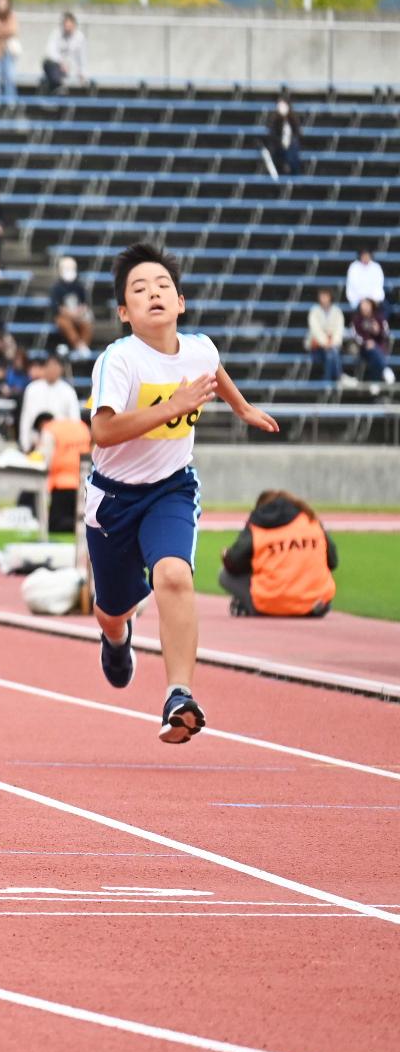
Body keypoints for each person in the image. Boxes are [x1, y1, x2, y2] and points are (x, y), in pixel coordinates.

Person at [85, 242, 278, 744]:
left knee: (174, 574)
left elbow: (213, 372)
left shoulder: (201, 348)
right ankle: (117, 638)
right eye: (140, 289)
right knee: (111, 608)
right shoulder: (119, 361)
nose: (154, 294)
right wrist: (173, 406)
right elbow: (102, 433)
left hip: (171, 488)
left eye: (163, 286)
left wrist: (243, 409)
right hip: (112, 500)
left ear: (181, 302)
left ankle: (179, 695)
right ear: (125, 312)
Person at [218, 490, 338, 618]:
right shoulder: (311, 520)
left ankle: (257, 605)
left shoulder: (258, 524)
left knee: (225, 575)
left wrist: (226, 555)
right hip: (315, 604)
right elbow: (333, 561)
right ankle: (306, 603)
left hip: (270, 603)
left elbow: (234, 562)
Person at [34, 409, 92, 534]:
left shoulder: (50, 429)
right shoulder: (82, 427)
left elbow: (44, 456)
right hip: (82, 481)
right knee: (78, 517)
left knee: (56, 524)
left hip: (61, 483)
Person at [18, 351, 80, 451]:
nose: (52, 369)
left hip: (61, 442)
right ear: (45, 367)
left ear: (61, 369)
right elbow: (26, 419)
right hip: (36, 441)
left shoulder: (69, 391)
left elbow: (75, 421)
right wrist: (25, 445)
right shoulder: (32, 389)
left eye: (56, 366)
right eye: (50, 366)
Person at [49, 256, 96, 360]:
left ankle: (83, 346)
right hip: (63, 317)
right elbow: (57, 308)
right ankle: (78, 345)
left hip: (78, 314)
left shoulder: (79, 286)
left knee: (88, 323)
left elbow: (85, 304)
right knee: (66, 324)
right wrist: (70, 314)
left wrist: (79, 312)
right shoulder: (56, 288)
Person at [307, 288, 346, 385]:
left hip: (333, 345)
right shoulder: (314, 311)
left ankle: (327, 380)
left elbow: (339, 330)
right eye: (322, 296)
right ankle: (338, 377)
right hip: (318, 346)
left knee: (331, 353)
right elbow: (315, 329)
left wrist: (332, 342)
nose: (323, 298)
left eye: (326, 296)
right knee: (332, 353)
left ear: (330, 297)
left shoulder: (337, 311)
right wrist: (325, 342)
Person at [41, 12, 88, 91]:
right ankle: (59, 86)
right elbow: (49, 52)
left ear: (74, 25)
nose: (67, 29)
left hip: (68, 70)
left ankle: (59, 87)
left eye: (69, 26)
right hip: (55, 67)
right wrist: (61, 62)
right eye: (66, 26)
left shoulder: (80, 37)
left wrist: (82, 73)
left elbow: (82, 57)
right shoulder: (56, 33)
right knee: (48, 63)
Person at [262, 93, 303, 177]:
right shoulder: (274, 120)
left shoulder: (293, 119)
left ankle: (293, 173)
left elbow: (297, 133)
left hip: (291, 147)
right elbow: (272, 135)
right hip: (278, 148)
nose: (281, 108)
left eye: (283, 106)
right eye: (280, 106)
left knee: (293, 151)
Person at [354, 298, 393, 385]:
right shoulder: (357, 319)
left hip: (379, 348)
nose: (364, 307)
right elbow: (355, 335)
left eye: (366, 305)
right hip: (364, 350)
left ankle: (375, 385)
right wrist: (366, 342)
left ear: (371, 305)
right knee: (373, 351)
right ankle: (385, 369)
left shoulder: (379, 318)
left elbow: (386, 333)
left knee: (375, 354)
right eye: (362, 305)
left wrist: (378, 331)